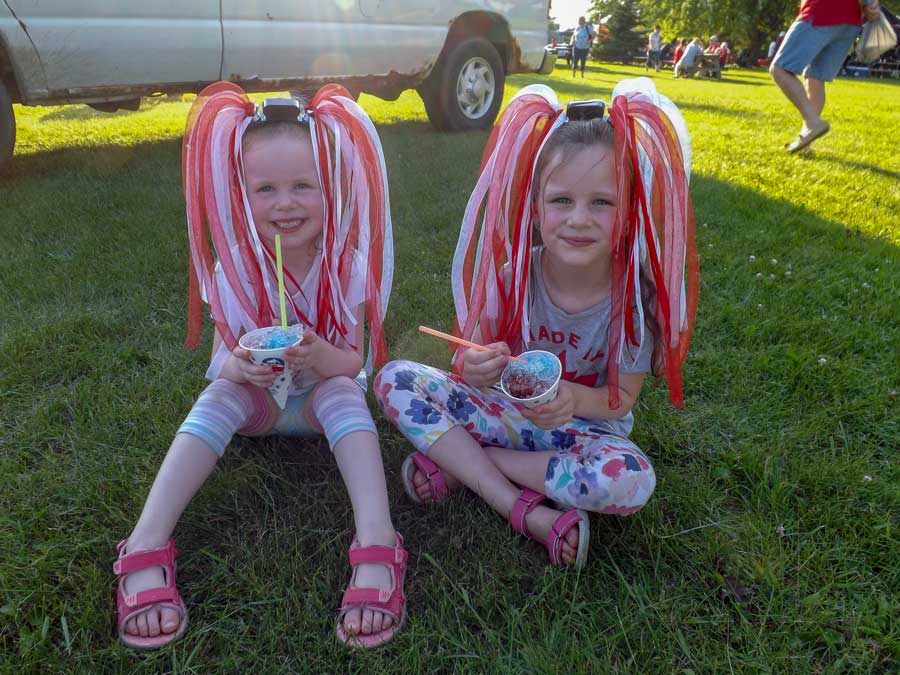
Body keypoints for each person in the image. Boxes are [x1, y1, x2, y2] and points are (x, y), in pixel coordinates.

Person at [113, 82, 405, 651]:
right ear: (241, 195)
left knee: (345, 390)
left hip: (321, 405)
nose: (284, 203)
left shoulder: (345, 264)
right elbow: (221, 364)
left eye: (303, 186)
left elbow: (353, 360)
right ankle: (146, 538)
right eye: (265, 188)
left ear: (331, 188)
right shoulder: (235, 269)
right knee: (216, 397)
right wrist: (240, 368)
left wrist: (321, 356)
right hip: (259, 409)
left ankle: (378, 537)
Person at [375, 80, 698, 571]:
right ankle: (519, 506)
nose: (579, 219)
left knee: (633, 478)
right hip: (502, 412)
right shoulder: (514, 276)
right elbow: (469, 354)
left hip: (580, 433)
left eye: (602, 202)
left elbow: (621, 400)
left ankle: (466, 465)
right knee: (394, 377)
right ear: (536, 206)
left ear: (630, 210)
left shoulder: (634, 300)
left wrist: (573, 401)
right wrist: (473, 365)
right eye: (561, 200)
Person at [770, 0, 881, 152]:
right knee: (815, 78)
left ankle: (812, 122)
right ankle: (806, 142)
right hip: (850, 22)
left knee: (779, 69)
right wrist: (871, 3)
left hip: (821, 10)